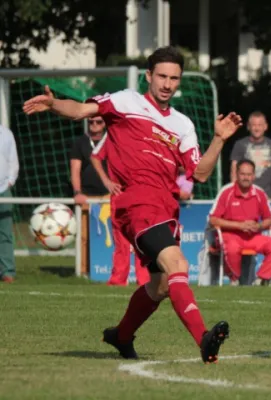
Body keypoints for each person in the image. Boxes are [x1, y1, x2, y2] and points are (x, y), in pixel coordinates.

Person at [23, 46, 242, 364]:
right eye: (162, 77)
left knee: (161, 284)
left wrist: (219, 139)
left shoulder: (183, 125)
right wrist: (55, 103)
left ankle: (121, 336)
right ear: (148, 76)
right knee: (178, 266)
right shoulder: (126, 101)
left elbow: (202, 173)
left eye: (174, 79)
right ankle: (204, 339)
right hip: (136, 204)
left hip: (166, 210)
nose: (167, 84)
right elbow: (81, 111)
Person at [209, 159, 271, 286]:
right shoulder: (226, 192)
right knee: (232, 247)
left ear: (254, 176)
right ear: (237, 174)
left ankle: (261, 280)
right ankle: (235, 280)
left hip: (253, 236)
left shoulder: (259, 193)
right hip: (230, 236)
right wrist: (239, 225)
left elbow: (269, 219)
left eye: (249, 175)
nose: (246, 178)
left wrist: (259, 226)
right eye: (243, 174)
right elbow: (213, 220)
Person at [91, 136, 150, 286]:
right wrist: (106, 182)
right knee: (121, 240)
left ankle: (144, 281)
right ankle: (118, 280)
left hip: (143, 193)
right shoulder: (112, 131)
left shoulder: (147, 127)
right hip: (120, 194)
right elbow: (95, 156)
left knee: (142, 240)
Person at [70, 116, 109, 275]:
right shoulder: (80, 142)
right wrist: (78, 192)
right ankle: (84, 271)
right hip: (86, 195)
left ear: (105, 123)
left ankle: (107, 269)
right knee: (84, 237)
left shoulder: (112, 140)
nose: (94, 125)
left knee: (110, 235)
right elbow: (75, 170)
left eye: (99, 122)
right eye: (91, 121)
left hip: (108, 195)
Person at [230, 111, 271, 208]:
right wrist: (235, 194)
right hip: (244, 196)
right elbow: (234, 171)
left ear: (265, 127)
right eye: (254, 125)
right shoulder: (239, 144)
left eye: (260, 125)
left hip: (266, 197)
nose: (257, 128)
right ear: (248, 127)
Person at [0, 124, 19, 283]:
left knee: (5, 234)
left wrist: (10, 181)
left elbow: (13, 161)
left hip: (3, 190)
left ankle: (7, 272)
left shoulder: (6, 134)